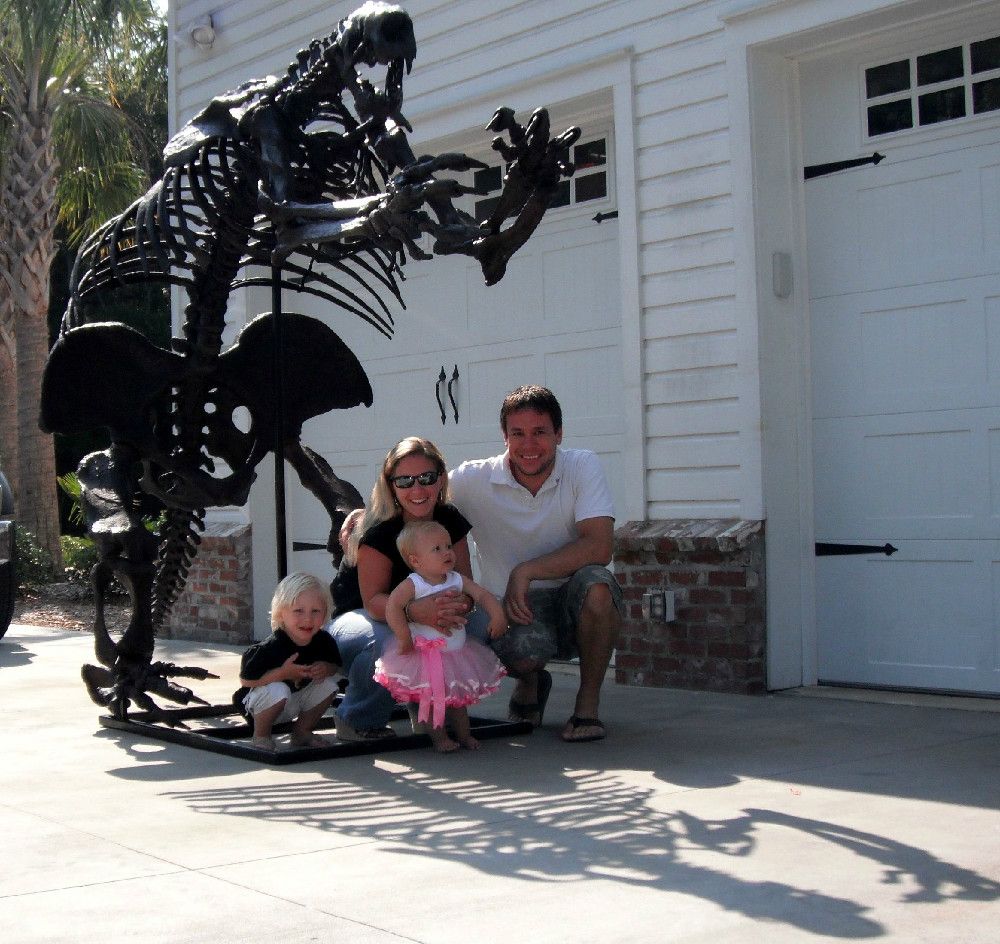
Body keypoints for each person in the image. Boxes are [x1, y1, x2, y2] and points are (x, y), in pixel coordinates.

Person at [449, 385, 623, 743]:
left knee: (599, 586)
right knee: (519, 652)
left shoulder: (582, 465)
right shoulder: (472, 479)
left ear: (559, 434)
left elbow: (600, 545)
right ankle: (529, 680)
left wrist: (525, 571)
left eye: (540, 432)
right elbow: (415, 494)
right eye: (518, 434)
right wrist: (359, 517)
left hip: (572, 599)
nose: (529, 446)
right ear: (505, 436)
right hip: (512, 610)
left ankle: (586, 707)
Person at [326, 437, 486, 741]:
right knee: (389, 642)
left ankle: (433, 708)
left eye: (426, 478)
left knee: (480, 625)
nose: (417, 489)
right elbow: (372, 601)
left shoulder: (450, 519)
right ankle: (358, 717)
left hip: (422, 609)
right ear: (391, 486)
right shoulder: (378, 529)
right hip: (362, 619)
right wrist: (414, 612)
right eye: (404, 480)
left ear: (440, 478)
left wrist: (457, 607)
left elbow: (465, 581)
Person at [374, 520, 507, 752]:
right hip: (426, 654)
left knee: (458, 701)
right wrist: (403, 637)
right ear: (416, 560)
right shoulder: (414, 584)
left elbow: (482, 595)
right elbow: (393, 607)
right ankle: (439, 738)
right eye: (437, 549)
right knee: (432, 699)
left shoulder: (456, 579)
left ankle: (464, 735)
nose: (447, 552)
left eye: (447, 546)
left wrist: (497, 615)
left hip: (457, 653)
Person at [236, 572, 341, 750]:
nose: (307, 619)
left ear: (325, 614)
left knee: (329, 685)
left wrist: (326, 668)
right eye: (298, 611)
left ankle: (302, 733)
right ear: (280, 614)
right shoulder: (272, 645)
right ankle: (261, 735)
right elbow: (246, 680)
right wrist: (283, 673)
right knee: (279, 689)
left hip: (294, 701)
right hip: (261, 707)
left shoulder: (323, 641)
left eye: (315, 611)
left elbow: (335, 666)